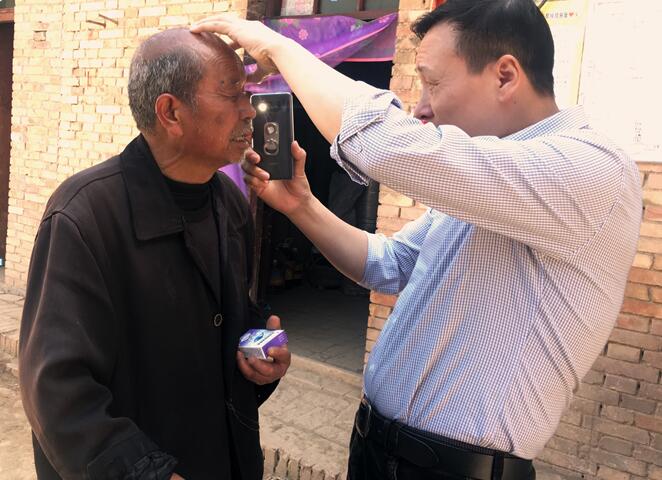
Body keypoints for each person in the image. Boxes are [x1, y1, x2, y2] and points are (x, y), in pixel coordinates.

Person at [191, 1, 642, 479]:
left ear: (505, 76)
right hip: (376, 449)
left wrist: (280, 47)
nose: (422, 107)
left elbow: (384, 145)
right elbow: (388, 264)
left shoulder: (591, 171)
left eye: (433, 83)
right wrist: (301, 205)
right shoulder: (490, 180)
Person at [19, 28, 290, 480]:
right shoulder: (85, 214)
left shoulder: (228, 201)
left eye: (247, 94)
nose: (248, 110)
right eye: (232, 94)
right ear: (171, 112)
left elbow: (229, 317)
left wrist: (259, 350)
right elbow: (56, 391)